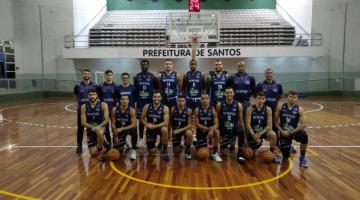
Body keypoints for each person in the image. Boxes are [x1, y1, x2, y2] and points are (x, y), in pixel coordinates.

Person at [275, 90, 309, 167]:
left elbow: (303, 125)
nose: (292, 98)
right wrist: (281, 131)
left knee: (304, 135)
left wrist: (291, 132)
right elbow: (275, 122)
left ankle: (302, 157)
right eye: (290, 96)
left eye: (294, 97)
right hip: (283, 132)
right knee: (286, 156)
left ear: (297, 98)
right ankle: (290, 147)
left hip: (293, 132)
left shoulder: (300, 109)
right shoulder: (281, 107)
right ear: (288, 97)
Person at [246, 91, 282, 163]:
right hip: (253, 132)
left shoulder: (268, 109)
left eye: (262, 99)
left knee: (273, 134)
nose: (260, 100)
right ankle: (258, 146)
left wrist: (260, 133)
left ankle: (272, 153)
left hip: (263, 131)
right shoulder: (250, 109)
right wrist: (254, 136)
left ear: (265, 100)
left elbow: (269, 126)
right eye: (259, 98)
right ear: (255, 99)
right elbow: (247, 125)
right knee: (251, 155)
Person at [216, 87, 246, 163]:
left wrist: (244, 136)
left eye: (231, 92)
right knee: (224, 154)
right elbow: (217, 120)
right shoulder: (219, 105)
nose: (229, 94)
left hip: (234, 129)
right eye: (227, 93)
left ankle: (240, 152)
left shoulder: (238, 105)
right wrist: (219, 134)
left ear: (233, 93)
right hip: (224, 130)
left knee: (241, 131)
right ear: (224, 94)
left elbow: (241, 121)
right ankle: (229, 140)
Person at [134, 60, 158, 147]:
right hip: (140, 103)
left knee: (151, 121)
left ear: (148, 65)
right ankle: (140, 139)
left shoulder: (153, 77)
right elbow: (135, 90)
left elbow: (156, 89)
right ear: (140, 66)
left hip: (150, 103)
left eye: (146, 64)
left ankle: (152, 139)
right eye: (142, 64)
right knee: (141, 121)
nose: (144, 65)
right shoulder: (137, 76)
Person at [80, 88, 109, 160]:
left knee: (99, 132)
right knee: (92, 154)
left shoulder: (103, 105)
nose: (92, 96)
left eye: (94, 94)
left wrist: (98, 127)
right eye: (90, 95)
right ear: (88, 95)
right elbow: (83, 122)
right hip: (90, 129)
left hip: (101, 127)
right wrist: (93, 128)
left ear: (97, 95)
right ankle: (104, 142)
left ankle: (100, 152)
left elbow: (106, 120)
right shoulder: (84, 106)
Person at [141, 91, 170, 161]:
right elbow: (142, 118)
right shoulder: (147, 106)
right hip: (150, 129)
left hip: (159, 128)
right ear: (152, 98)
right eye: (155, 97)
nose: (156, 98)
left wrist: (155, 126)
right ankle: (159, 144)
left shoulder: (165, 108)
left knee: (165, 129)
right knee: (151, 151)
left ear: (161, 98)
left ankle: (165, 150)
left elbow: (166, 122)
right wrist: (146, 124)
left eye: (158, 97)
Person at [194, 93, 222, 162]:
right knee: (201, 153)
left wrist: (212, 130)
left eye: (206, 98)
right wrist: (208, 129)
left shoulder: (212, 109)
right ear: (200, 100)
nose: (204, 100)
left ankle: (215, 152)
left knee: (217, 132)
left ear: (209, 100)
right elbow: (197, 124)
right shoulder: (197, 109)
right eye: (203, 99)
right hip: (201, 131)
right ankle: (196, 143)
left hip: (210, 130)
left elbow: (217, 124)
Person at [73, 68, 96, 153]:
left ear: (90, 75)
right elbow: (75, 95)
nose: (86, 75)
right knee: (80, 128)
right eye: (85, 74)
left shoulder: (94, 85)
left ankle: (94, 143)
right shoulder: (77, 85)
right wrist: (80, 103)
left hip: (92, 110)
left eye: (88, 74)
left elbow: (97, 96)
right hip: (81, 110)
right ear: (82, 75)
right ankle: (79, 145)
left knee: (93, 126)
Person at [111, 95, 137, 160]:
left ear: (128, 101)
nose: (124, 101)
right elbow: (113, 124)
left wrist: (122, 128)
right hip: (118, 130)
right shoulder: (114, 110)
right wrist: (115, 136)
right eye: (122, 99)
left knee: (134, 131)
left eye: (126, 99)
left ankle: (133, 150)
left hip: (128, 129)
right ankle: (124, 141)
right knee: (119, 151)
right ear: (120, 101)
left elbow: (134, 124)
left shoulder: (132, 110)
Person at [97, 70, 117, 149]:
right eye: (107, 75)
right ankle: (108, 143)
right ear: (105, 76)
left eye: (110, 75)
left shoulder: (116, 86)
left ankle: (115, 143)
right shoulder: (100, 86)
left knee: (114, 126)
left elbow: (118, 98)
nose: (109, 76)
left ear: (112, 76)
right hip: (104, 111)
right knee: (106, 128)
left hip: (113, 110)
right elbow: (99, 97)